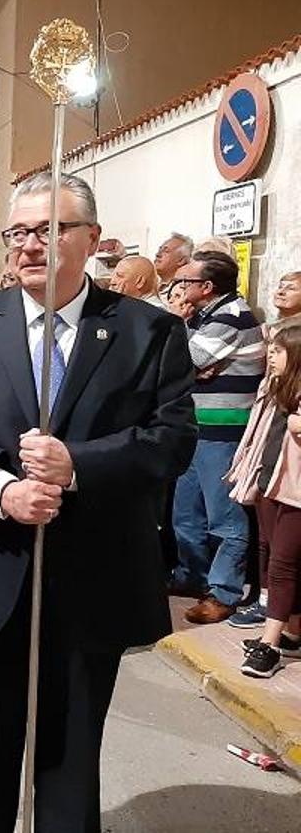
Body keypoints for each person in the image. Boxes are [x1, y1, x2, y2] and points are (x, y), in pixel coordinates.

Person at [0, 171, 196, 833]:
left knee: (68, 766)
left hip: (92, 582)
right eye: (20, 231)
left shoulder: (146, 332)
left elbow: (171, 441)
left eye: (51, 229)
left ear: (92, 238)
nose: (31, 244)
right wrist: (1, 489)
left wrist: (78, 468)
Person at [167, 250, 265, 623]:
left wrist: (179, 335)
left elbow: (183, 361)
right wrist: (187, 364)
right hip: (197, 428)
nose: (178, 288)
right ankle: (193, 576)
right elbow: (181, 365)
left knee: (223, 517)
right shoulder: (207, 316)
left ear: (206, 287)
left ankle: (224, 591)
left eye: (185, 282)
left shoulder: (231, 317)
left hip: (223, 433)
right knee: (185, 513)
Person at [226, 321, 301, 677]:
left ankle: (268, 645)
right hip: (269, 480)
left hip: (295, 491)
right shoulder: (274, 387)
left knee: (283, 564)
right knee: (270, 551)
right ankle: (291, 630)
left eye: (279, 349)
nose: (270, 354)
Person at [153, 232, 193, 301]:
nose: (157, 254)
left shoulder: (184, 291)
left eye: (166, 251)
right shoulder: (151, 287)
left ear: (181, 260)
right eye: (159, 250)